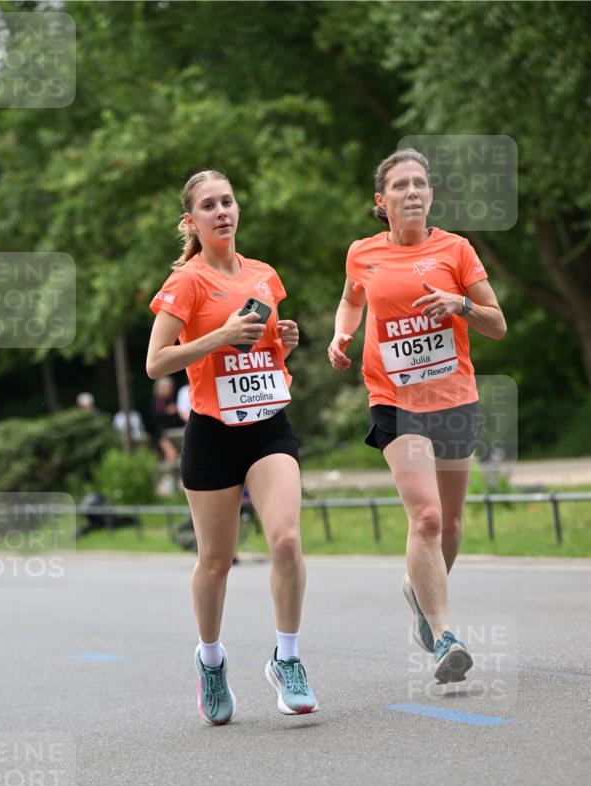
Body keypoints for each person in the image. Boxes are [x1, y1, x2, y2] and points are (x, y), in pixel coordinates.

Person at [328, 148, 506, 684]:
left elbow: (497, 324)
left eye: (420, 184)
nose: (412, 192)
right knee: (426, 517)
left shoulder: (456, 250)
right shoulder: (362, 253)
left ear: (430, 195)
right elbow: (351, 300)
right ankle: (445, 636)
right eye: (400, 185)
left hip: (453, 400)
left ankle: (417, 591)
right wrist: (342, 334)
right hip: (393, 400)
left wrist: (461, 306)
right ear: (382, 201)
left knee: (450, 524)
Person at [147, 168, 318, 724]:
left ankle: (286, 659)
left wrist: (283, 342)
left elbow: (263, 353)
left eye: (228, 201)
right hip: (213, 433)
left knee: (287, 540)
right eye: (209, 205)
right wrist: (217, 337)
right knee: (216, 561)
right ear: (192, 220)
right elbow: (156, 363)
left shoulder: (265, 275)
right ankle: (212, 661)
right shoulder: (187, 282)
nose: (222, 211)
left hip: (268, 423)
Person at [153, 376, 185, 463]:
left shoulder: (174, 399)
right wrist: (167, 411)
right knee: (171, 454)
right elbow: (157, 416)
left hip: (177, 431)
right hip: (163, 434)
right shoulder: (158, 401)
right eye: (166, 387)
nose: (169, 389)